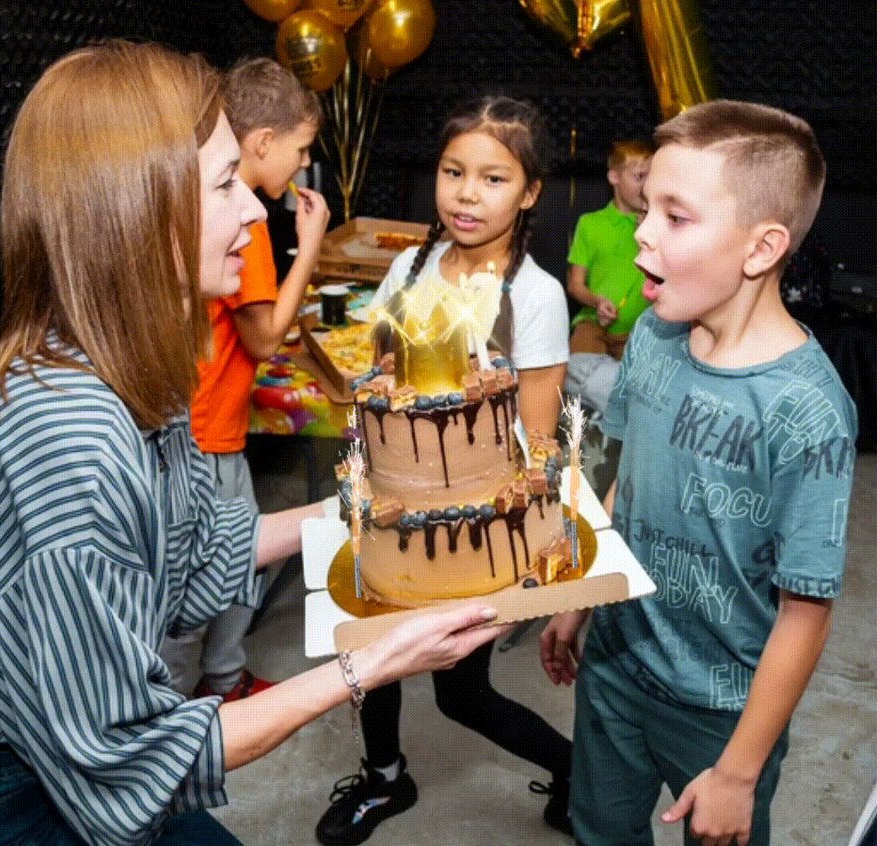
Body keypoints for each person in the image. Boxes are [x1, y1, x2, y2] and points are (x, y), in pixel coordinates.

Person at [0, 41, 511, 846]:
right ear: (137, 209)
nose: (251, 210)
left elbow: (202, 547)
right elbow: (129, 759)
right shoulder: (66, 440)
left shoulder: (137, 371)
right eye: (225, 183)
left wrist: (376, 513)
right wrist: (369, 664)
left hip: (41, 758)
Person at [542, 100, 857, 846]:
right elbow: (626, 481)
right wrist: (580, 595)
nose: (643, 231)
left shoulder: (808, 411)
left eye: (675, 217)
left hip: (723, 713)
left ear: (761, 248)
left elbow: (804, 613)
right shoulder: (651, 336)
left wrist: (740, 772)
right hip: (615, 668)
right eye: (647, 205)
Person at [315, 96, 573, 846]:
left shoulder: (537, 296)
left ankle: (576, 770)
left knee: (461, 694)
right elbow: (381, 382)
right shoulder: (409, 263)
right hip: (397, 510)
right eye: (453, 171)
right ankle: (384, 779)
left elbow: (537, 433)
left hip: (478, 530)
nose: (466, 193)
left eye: (493, 178)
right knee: (371, 657)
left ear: (528, 193)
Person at [159, 57, 330, 704]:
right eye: (301, 149)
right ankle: (172, 707)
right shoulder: (248, 220)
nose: (301, 164)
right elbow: (264, 337)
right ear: (263, 143)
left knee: (234, 560)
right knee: (199, 576)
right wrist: (309, 243)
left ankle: (225, 677)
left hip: (215, 423)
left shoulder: (236, 212)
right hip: (202, 429)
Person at [566, 139, 653, 360]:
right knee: (577, 370)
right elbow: (575, 285)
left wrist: (651, 231)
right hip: (595, 323)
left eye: (651, 177)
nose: (646, 186)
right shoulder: (590, 223)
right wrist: (597, 302)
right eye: (639, 177)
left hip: (641, 330)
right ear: (614, 177)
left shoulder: (658, 225)